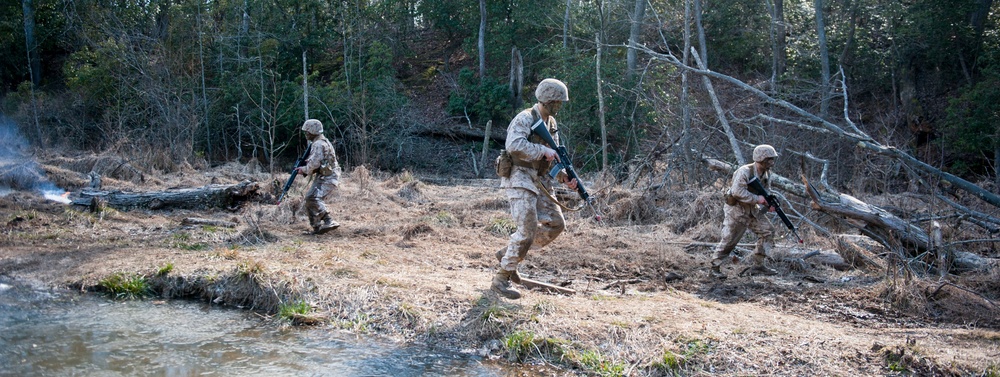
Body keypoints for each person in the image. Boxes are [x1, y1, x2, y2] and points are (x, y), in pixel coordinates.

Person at [491, 78, 578, 300]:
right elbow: (514, 145)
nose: (560, 106)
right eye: (557, 102)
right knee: (527, 230)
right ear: (548, 100)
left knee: (556, 224)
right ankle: (501, 278)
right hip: (519, 177)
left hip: (540, 180)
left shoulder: (551, 123)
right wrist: (540, 149)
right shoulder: (524, 118)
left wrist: (565, 177)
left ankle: (510, 254)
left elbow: (553, 156)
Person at [710, 144, 781, 279]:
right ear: (761, 159)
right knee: (729, 239)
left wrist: (768, 203)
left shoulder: (766, 173)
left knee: (768, 232)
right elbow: (737, 192)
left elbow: (766, 191)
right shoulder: (745, 171)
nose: (771, 162)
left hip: (752, 210)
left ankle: (758, 265)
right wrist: (757, 199)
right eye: (769, 159)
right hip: (736, 210)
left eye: (772, 159)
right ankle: (714, 268)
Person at [295, 119, 342, 235]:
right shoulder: (322, 142)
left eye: (307, 132)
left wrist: (304, 169)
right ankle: (316, 228)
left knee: (313, 198)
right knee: (310, 199)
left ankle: (328, 220)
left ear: (312, 131)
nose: (306, 134)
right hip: (326, 175)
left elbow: (314, 164)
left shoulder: (318, 144)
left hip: (328, 177)